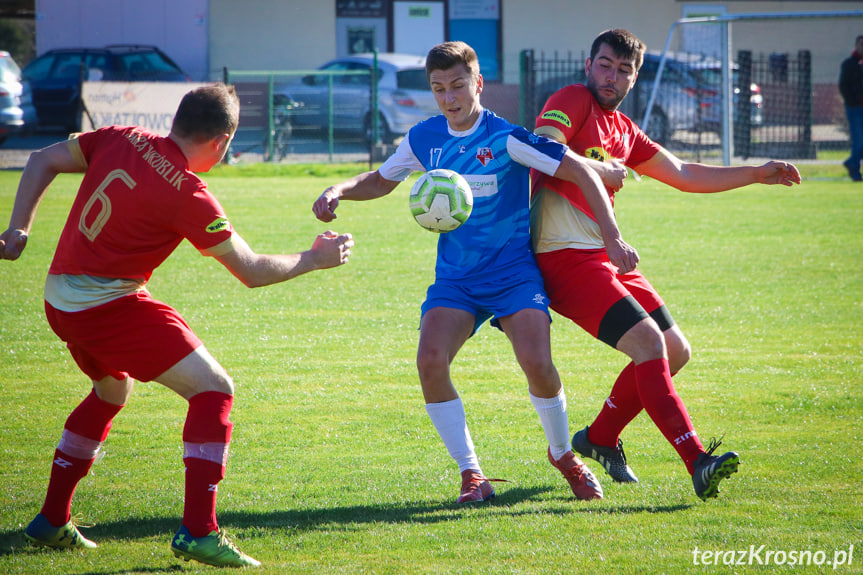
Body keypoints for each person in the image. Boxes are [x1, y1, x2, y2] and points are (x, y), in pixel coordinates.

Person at [0, 84, 354, 567]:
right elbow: (249, 271)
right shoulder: (190, 194)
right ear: (222, 141)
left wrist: (18, 226)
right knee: (215, 390)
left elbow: (41, 158)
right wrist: (314, 258)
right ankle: (198, 531)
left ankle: (50, 521)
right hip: (104, 306)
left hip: (59, 298)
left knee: (110, 391)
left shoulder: (122, 136)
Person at [313, 41, 638, 504]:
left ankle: (565, 455)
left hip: (513, 275)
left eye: (458, 85)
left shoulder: (508, 137)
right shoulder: (425, 137)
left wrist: (611, 236)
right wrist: (339, 189)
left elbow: (581, 173)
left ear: (478, 84)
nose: (449, 98)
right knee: (430, 361)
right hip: (457, 279)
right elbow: (382, 179)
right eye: (439, 88)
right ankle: (472, 474)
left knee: (538, 363)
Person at [530, 29, 801, 500]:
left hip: (606, 256)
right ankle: (698, 460)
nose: (611, 77)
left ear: (635, 77)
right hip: (565, 258)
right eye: (605, 64)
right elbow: (544, 148)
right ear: (588, 63)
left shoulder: (624, 129)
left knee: (675, 350)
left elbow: (684, 173)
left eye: (623, 70)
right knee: (649, 343)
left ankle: (599, 438)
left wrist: (756, 173)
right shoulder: (573, 98)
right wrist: (602, 170)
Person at [839, 35, 863, 182]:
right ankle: (855, 172)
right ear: (856, 46)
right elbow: (843, 86)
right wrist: (852, 101)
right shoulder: (849, 64)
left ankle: (850, 162)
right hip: (855, 108)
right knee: (859, 141)